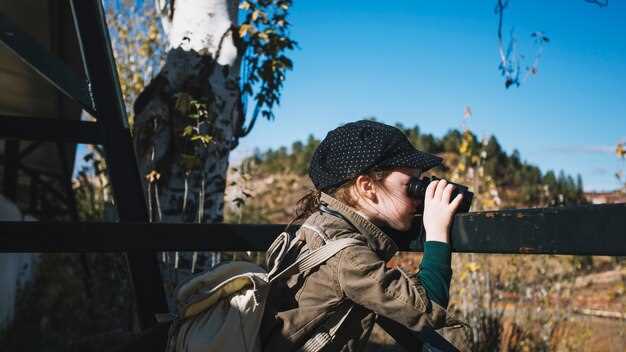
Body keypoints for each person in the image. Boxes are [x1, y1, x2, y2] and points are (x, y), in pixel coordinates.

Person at [261, 120, 465, 352]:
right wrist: (437, 231)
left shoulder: (319, 224)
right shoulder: (349, 256)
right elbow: (427, 308)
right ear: (367, 186)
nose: (419, 197)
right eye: (411, 185)